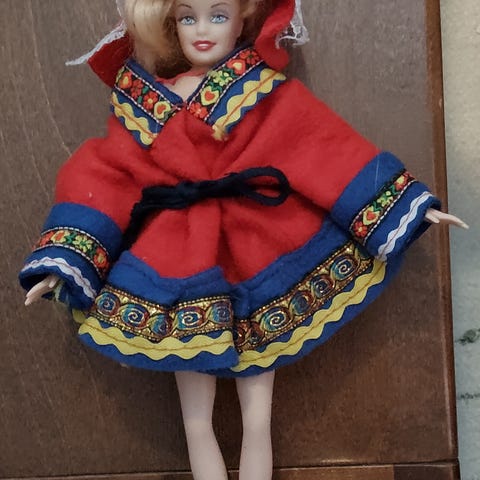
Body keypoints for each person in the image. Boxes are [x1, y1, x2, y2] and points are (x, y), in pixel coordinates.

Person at [19, 1, 468, 479]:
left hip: (257, 253)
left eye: (218, 15)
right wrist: (65, 259)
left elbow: (320, 145)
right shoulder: (141, 104)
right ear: (170, 25)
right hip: (178, 259)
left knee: (257, 419)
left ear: (243, 21)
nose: (203, 30)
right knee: (195, 421)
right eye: (187, 17)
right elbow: (105, 177)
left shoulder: (262, 90)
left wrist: (406, 203)